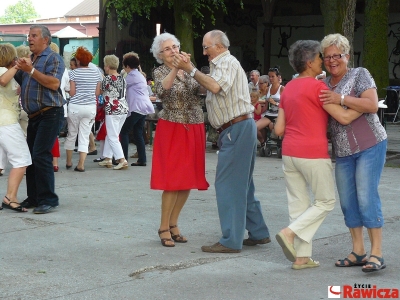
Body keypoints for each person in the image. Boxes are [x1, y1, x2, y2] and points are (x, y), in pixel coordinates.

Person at [173, 29, 270, 253]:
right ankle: (258, 232)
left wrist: (191, 69)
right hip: (239, 128)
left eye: (206, 47)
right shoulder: (225, 64)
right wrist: (189, 74)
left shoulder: (225, 62)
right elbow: (211, 87)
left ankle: (231, 240)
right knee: (243, 185)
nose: (204, 52)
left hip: (235, 128)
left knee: (228, 186)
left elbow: (215, 87)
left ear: (219, 46)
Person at [274, 40, 362, 269]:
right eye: (320, 57)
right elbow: (342, 118)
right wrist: (365, 107)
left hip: (289, 153)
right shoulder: (318, 88)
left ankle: (302, 258)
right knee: (325, 201)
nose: (324, 61)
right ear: (311, 62)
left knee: (298, 205)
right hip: (312, 152)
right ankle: (289, 233)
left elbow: (278, 130)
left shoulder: (288, 88)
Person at [319, 33, 388, 273]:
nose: (332, 60)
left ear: (347, 55)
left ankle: (376, 253)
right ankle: (358, 251)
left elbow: (371, 104)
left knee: (367, 197)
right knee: (348, 201)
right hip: (343, 151)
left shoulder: (360, 74)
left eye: (337, 55)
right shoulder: (324, 84)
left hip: (370, 144)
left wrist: (341, 99)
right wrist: (353, 103)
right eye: (327, 56)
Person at [151, 32, 209, 247]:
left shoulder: (189, 66)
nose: (173, 51)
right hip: (172, 126)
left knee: (188, 180)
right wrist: (177, 68)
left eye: (175, 46)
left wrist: (194, 71)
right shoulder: (160, 71)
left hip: (194, 125)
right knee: (172, 180)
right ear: (160, 54)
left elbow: (203, 89)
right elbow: (162, 90)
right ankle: (163, 226)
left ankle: (174, 224)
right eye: (167, 49)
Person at [14, 25, 66, 214]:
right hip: (35, 115)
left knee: (40, 154)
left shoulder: (53, 58)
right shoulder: (31, 59)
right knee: (31, 157)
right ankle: (34, 197)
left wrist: (31, 70)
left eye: (34, 36)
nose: (30, 39)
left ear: (45, 39)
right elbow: (23, 79)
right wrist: (17, 67)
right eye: (29, 36)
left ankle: (48, 199)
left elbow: (54, 84)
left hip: (50, 113)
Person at [0, 43, 31, 213]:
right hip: (6, 123)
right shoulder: (3, 72)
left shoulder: (7, 72)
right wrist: (19, 65)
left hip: (4, 123)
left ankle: (10, 197)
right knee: (21, 159)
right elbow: (3, 81)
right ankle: (10, 197)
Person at [64, 46, 102, 172]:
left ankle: (69, 162)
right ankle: (81, 164)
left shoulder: (73, 73)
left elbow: (73, 93)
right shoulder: (96, 72)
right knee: (84, 135)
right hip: (90, 107)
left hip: (75, 107)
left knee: (72, 134)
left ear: (78, 61)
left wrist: (68, 90)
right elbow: (97, 92)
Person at [120, 52, 154, 166]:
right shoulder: (139, 75)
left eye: (124, 66)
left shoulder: (131, 76)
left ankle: (123, 158)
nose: (124, 68)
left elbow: (121, 86)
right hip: (144, 107)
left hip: (136, 107)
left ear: (128, 66)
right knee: (138, 132)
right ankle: (142, 159)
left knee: (124, 131)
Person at [98, 54, 129, 170]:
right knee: (113, 133)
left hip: (112, 109)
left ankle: (121, 159)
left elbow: (98, 92)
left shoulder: (106, 79)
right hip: (123, 108)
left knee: (112, 135)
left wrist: (99, 81)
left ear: (108, 66)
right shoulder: (123, 78)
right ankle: (108, 158)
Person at [49, 42, 70, 172]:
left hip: (48, 105)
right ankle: (55, 162)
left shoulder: (43, 66)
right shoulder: (64, 69)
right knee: (55, 136)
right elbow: (67, 87)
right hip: (62, 105)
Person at [256, 67, 284, 145]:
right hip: (269, 114)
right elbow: (266, 104)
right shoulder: (268, 89)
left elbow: (286, 105)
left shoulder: (282, 89)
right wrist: (260, 113)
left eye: (273, 76)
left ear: (278, 77)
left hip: (279, 114)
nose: (271, 78)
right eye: (269, 77)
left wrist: (275, 103)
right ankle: (263, 142)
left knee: (275, 129)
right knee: (254, 128)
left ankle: (280, 144)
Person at [15, 45, 31, 137]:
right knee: (26, 135)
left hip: (14, 108)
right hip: (26, 107)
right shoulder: (30, 70)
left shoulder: (13, 70)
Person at [254, 75, 270, 145]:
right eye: (259, 83)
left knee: (257, 124)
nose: (259, 85)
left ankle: (263, 142)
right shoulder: (258, 92)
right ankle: (263, 142)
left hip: (266, 112)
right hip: (258, 112)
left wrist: (258, 102)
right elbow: (253, 101)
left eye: (261, 83)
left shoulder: (269, 92)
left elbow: (267, 102)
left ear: (266, 83)